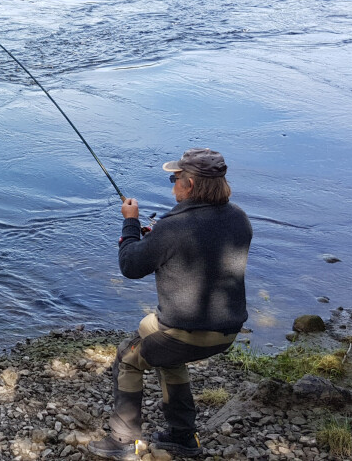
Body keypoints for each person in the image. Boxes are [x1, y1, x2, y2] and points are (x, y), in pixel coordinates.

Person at [89, 148, 252, 460]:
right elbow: (202, 247)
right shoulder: (239, 219)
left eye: (174, 179)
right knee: (163, 350)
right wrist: (154, 240)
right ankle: (183, 437)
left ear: (189, 185)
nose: (172, 185)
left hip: (186, 333)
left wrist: (131, 224)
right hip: (227, 332)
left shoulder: (173, 227)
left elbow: (130, 266)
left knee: (128, 357)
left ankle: (123, 440)